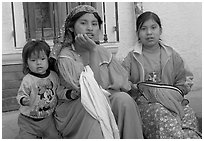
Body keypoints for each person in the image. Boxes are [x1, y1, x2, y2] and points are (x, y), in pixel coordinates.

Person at [50, 5, 143, 139]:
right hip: (77, 105)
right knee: (94, 108)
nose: (90, 28)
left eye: (94, 24)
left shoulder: (102, 52)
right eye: (83, 23)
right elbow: (90, 91)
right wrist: (92, 51)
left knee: (124, 100)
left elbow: (119, 84)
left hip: (103, 98)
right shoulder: (67, 57)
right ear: (71, 27)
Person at [122, 11, 201, 139]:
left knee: (188, 113)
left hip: (172, 102)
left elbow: (184, 80)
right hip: (145, 105)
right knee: (160, 113)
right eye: (143, 29)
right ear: (138, 33)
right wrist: (134, 87)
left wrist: (176, 92)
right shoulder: (131, 57)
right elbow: (121, 81)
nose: (149, 33)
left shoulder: (172, 55)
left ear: (160, 30)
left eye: (153, 27)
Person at [16, 40, 69, 138]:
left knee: (55, 137)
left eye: (42, 59)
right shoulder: (28, 80)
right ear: (26, 63)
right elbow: (20, 94)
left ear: (48, 60)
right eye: (33, 60)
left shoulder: (54, 76)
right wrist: (24, 100)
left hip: (48, 119)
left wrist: (69, 94)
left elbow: (59, 92)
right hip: (28, 121)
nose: (38, 63)